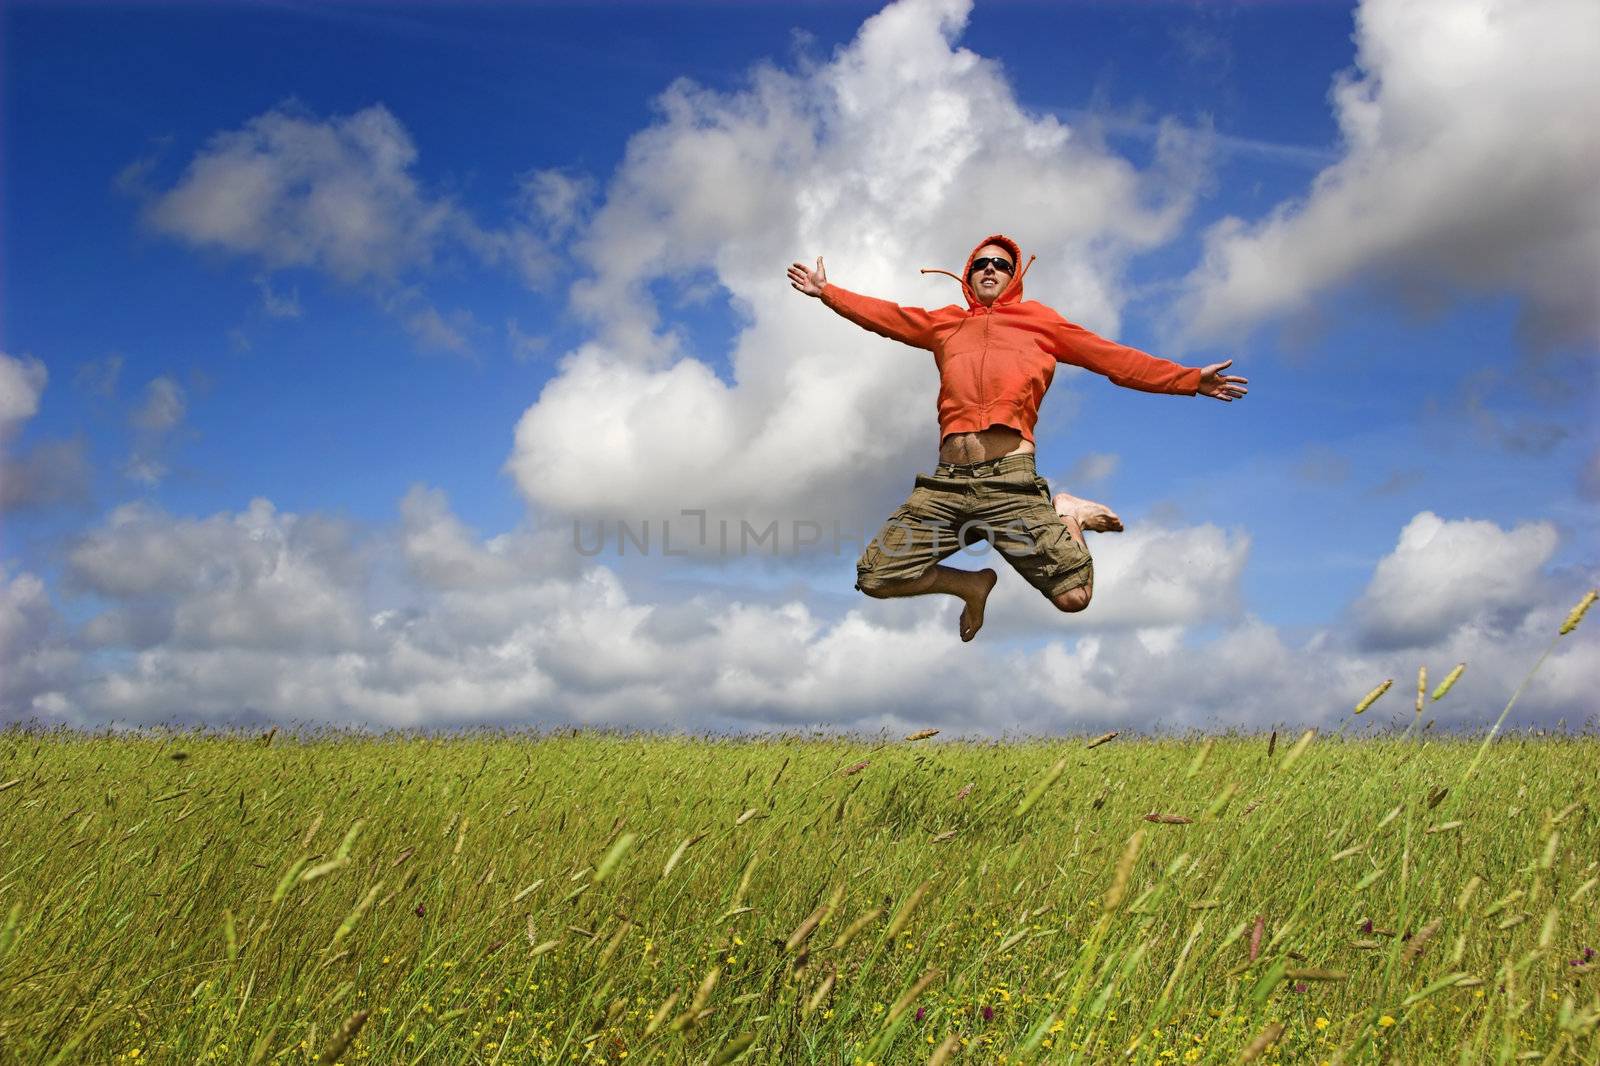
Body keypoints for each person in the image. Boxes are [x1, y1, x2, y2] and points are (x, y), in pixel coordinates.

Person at [786, 233, 1247, 641]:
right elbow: (888, 316)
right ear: (967, 276)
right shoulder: (945, 324)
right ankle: (971, 585)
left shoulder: (1040, 322)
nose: (990, 269)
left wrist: (1187, 379)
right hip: (946, 487)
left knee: (1075, 597)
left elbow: (1113, 359)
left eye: (1000, 265)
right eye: (980, 264)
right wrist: (828, 293)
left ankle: (1070, 515)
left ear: (1014, 276)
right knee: (876, 577)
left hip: (1010, 485)